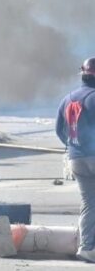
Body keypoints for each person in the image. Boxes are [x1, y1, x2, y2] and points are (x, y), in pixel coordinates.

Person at [57, 57, 95, 263]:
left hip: (76, 159)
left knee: (89, 203)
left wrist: (73, 146)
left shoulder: (68, 98)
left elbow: (58, 130)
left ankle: (87, 247)